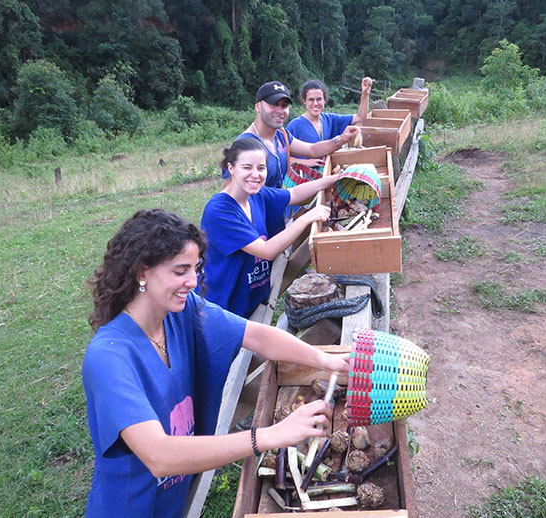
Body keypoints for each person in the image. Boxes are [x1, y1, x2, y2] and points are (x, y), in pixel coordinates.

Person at [82, 209, 349, 517]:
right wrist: (270, 435)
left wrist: (325, 359)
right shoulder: (108, 356)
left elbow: (256, 335)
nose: (193, 282)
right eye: (180, 271)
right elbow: (158, 456)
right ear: (142, 272)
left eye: (196, 269)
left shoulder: (181, 312)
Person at [200, 138, 338, 318]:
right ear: (231, 168)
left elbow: (294, 193)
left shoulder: (256, 195)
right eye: (247, 167)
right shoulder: (219, 211)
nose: (255, 174)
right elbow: (266, 251)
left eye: (261, 168)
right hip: (223, 306)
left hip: (250, 298)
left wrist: (334, 179)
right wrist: (305, 219)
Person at [229, 80, 361, 195]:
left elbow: (312, 150)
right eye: (273, 104)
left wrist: (342, 139)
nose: (280, 110)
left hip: (278, 216)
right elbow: (232, 196)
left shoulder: (281, 134)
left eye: (284, 105)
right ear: (258, 106)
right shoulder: (244, 145)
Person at [286, 76, 374, 169]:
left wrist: (365, 94)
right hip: (302, 176)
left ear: (325, 100)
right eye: (311, 100)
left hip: (326, 173)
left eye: (319, 99)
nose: (315, 103)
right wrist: (305, 162)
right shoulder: (295, 126)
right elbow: (282, 156)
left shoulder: (330, 119)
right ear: (304, 101)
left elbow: (360, 117)